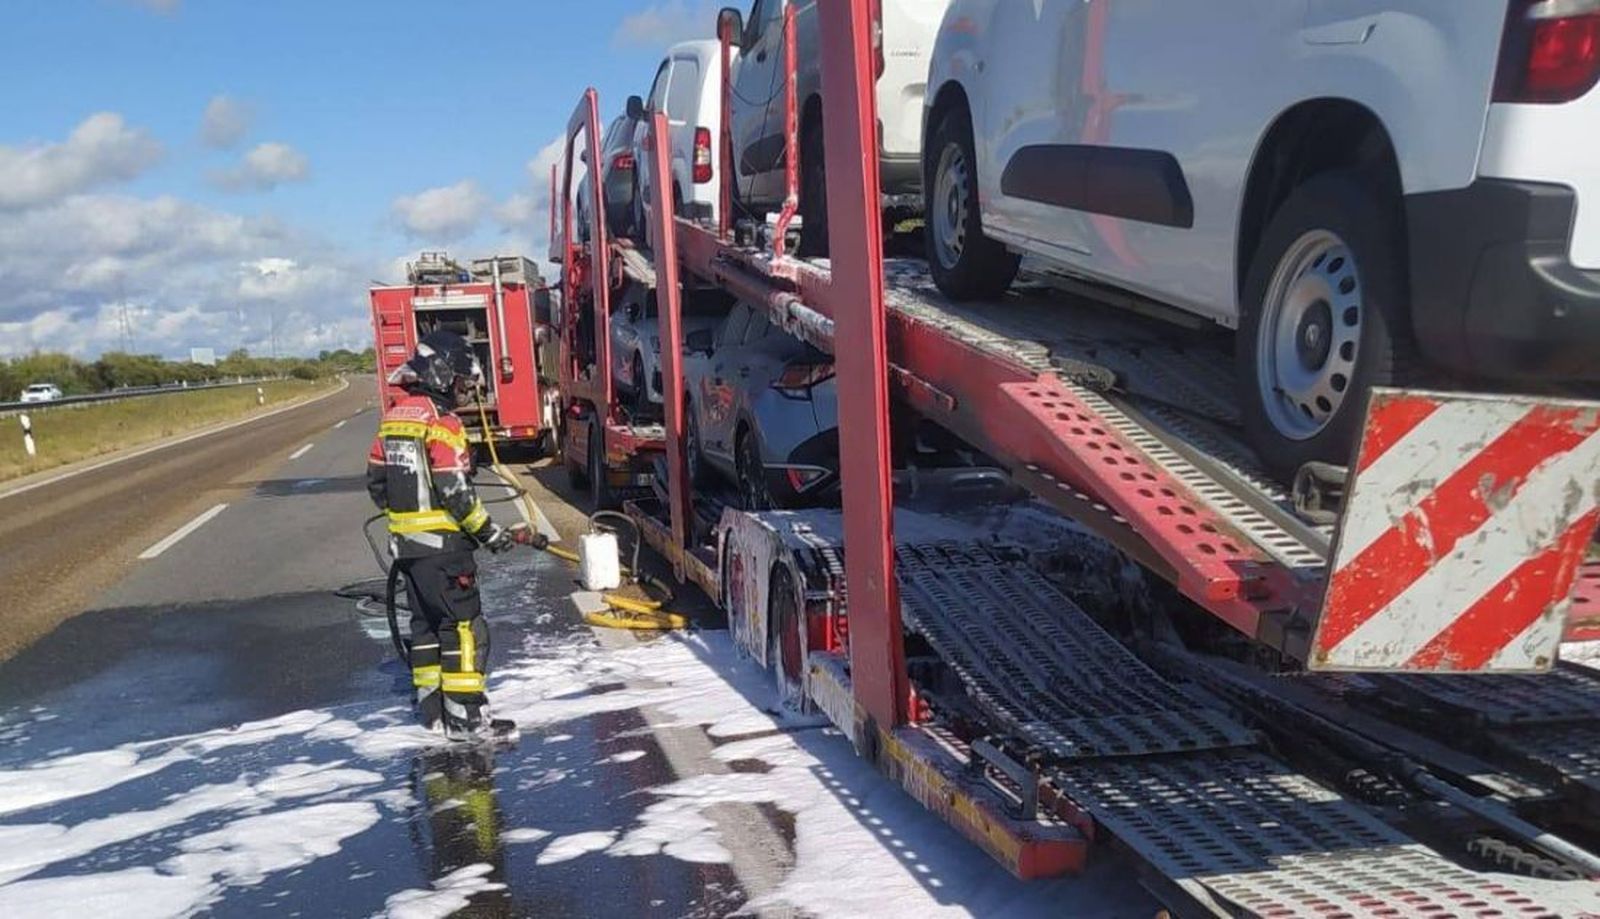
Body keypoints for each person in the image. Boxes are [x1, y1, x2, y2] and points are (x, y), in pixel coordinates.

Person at [366, 330, 532, 740]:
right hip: (445, 551)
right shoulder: (443, 423)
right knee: (464, 628)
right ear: (442, 375)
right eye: (460, 382)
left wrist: (408, 520)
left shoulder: (394, 420)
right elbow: (456, 491)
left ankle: (433, 714)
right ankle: (467, 720)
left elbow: (376, 484)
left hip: (407, 552)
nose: (463, 391)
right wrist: (490, 534)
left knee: (424, 628)